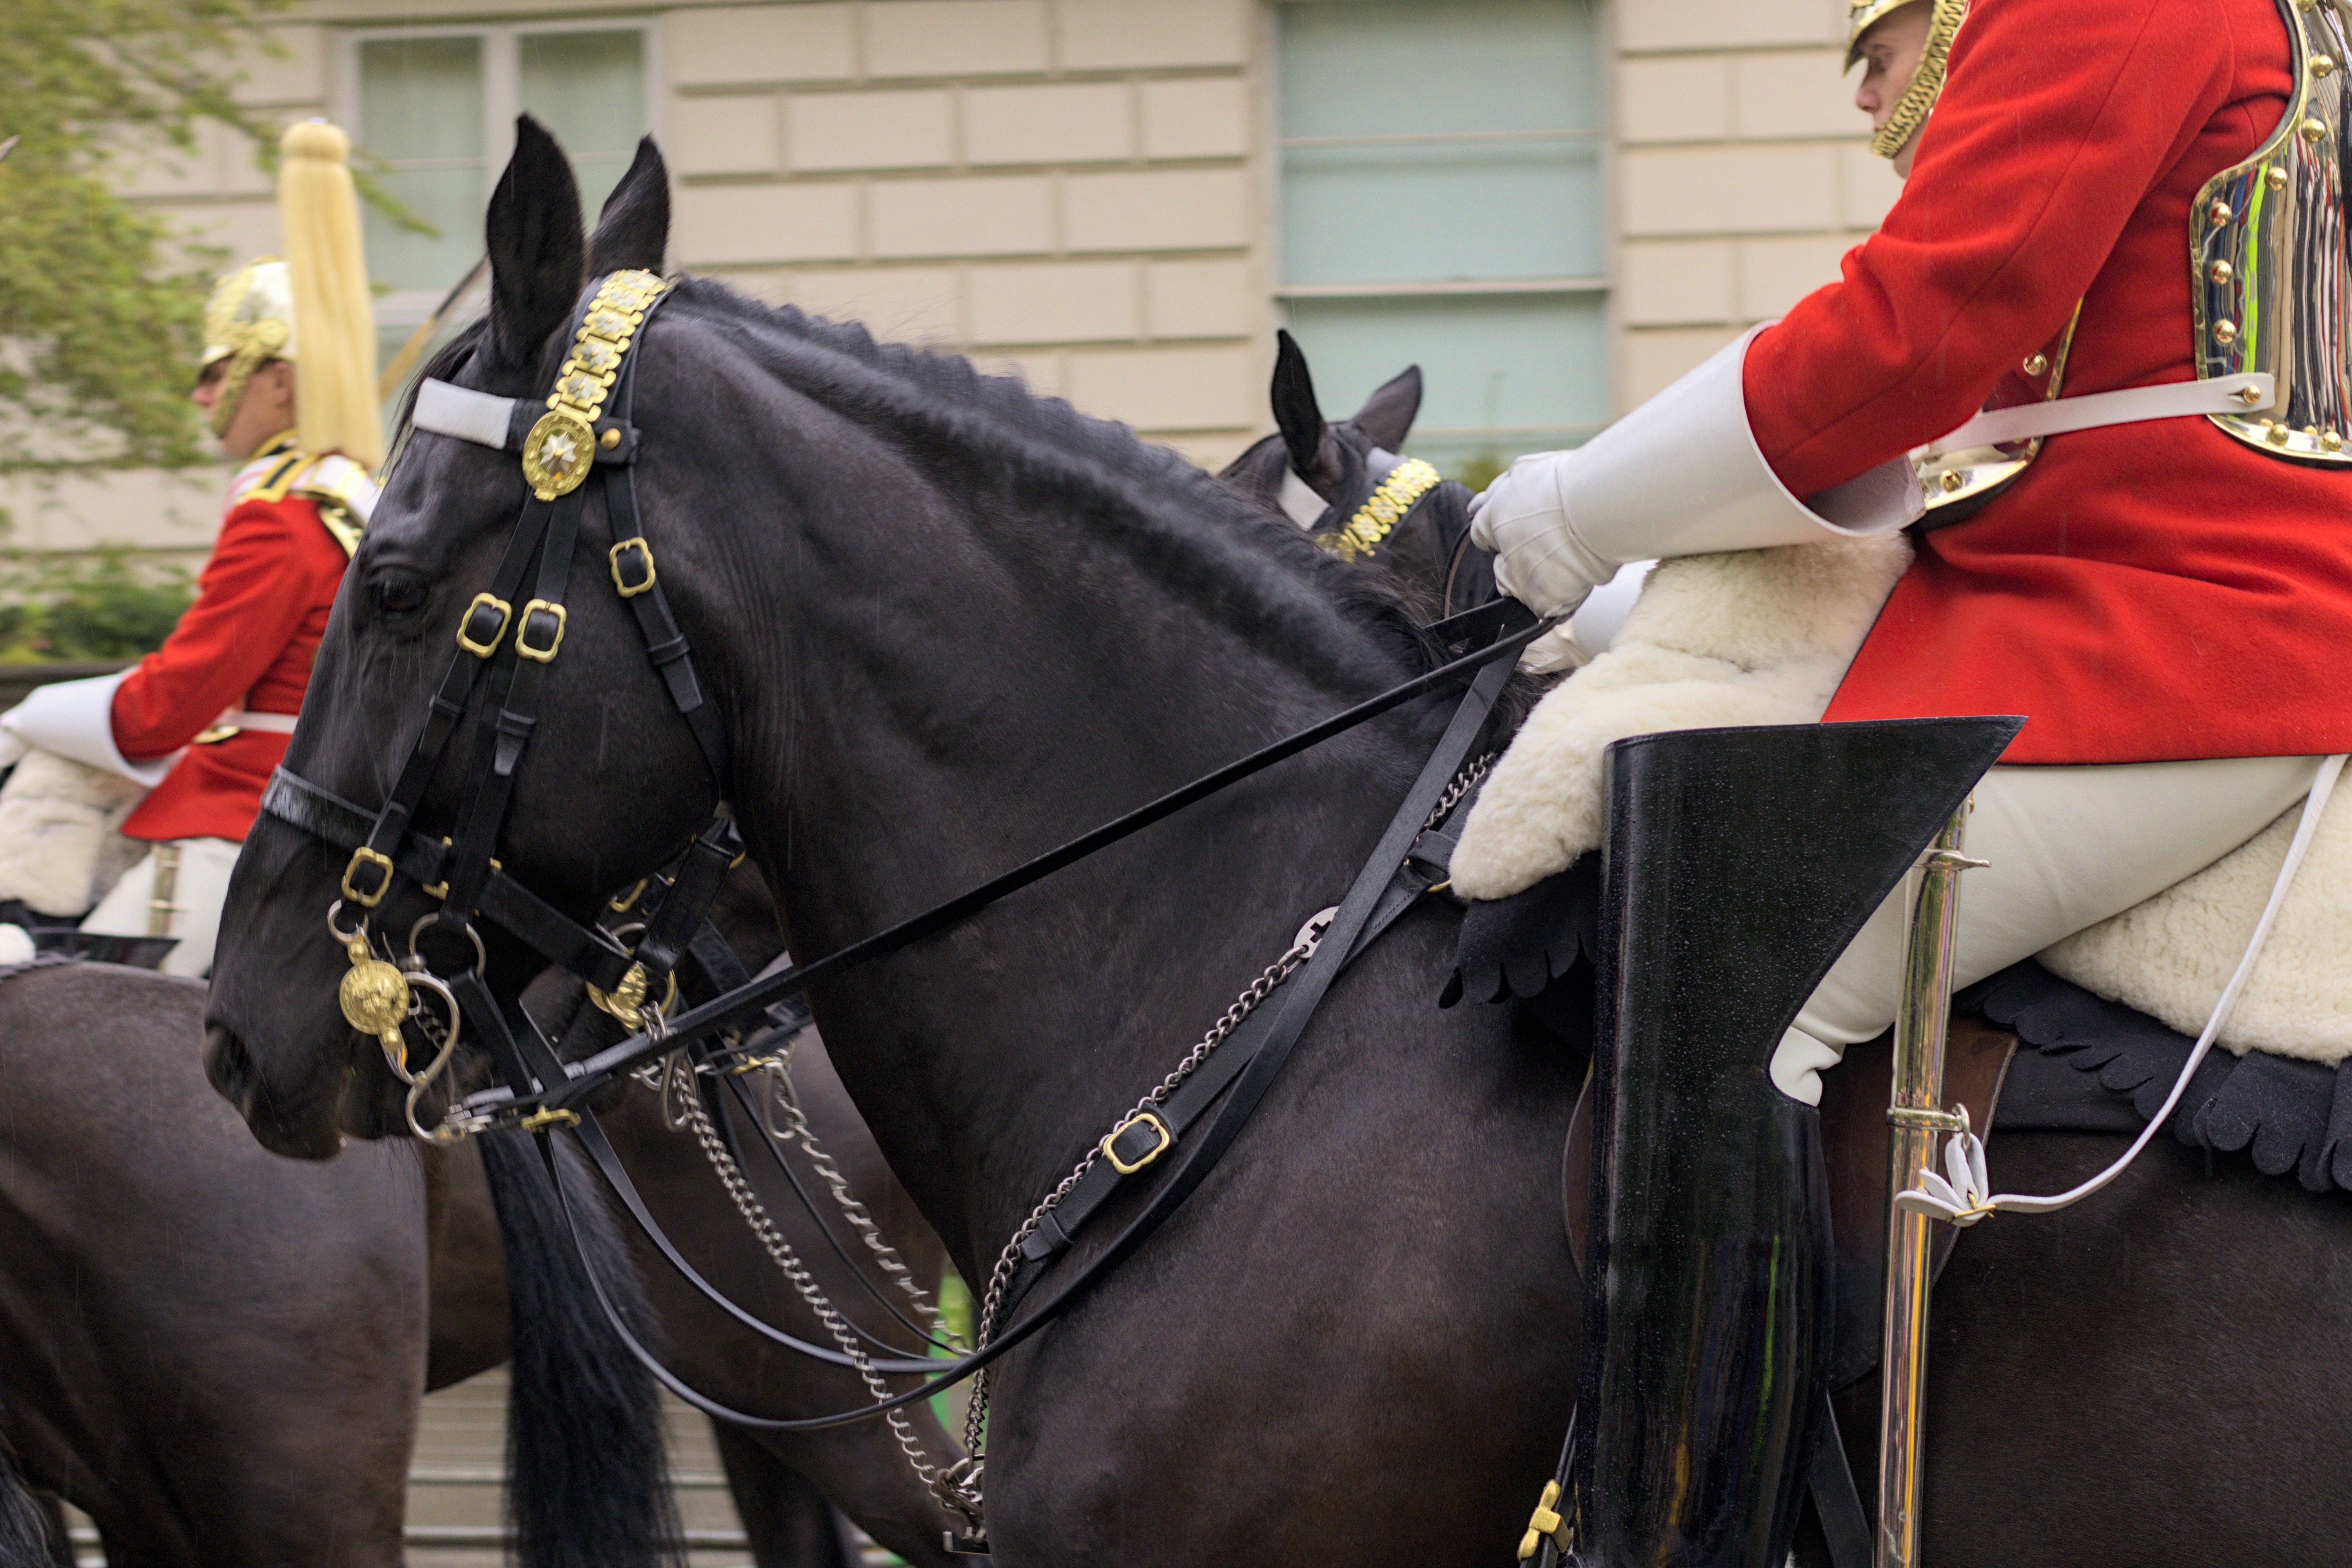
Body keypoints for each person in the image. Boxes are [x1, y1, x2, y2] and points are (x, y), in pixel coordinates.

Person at [1471, 0, 2352, 1559]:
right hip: (2115, 593)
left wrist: (1586, 501)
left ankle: (1668, 1531)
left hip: (2185, 630)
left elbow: (1922, 331)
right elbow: (2031, 409)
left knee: (1730, 965)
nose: (1871, 74)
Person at [0, 120, 380, 977]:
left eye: (221, 367)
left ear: (280, 380)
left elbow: (170, 706)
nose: (202, 390)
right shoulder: (351, 493)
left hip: (244, 812)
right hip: (321, 802)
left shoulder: (282, 514)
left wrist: (42, 717)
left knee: (47, 1007)